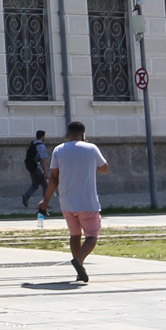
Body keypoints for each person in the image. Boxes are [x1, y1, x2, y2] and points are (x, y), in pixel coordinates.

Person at [37, 121, 108, 284]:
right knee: (92, 235)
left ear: (68, 134)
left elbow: (54, 178)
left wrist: (46, 200)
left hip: (67, 202)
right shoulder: (92, 149)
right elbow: (105, 169)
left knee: (75, 235)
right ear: (83, 134)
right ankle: (79, 260)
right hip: (88, 202)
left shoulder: (59, 150)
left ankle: (79, 270)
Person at [21, 130, 50, 208]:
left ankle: (26, 195)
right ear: (42, 136)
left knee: (35, 184)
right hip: (38, 168)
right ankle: (45, 203)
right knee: (45, 185)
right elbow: (43, 160)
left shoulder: (32, 144)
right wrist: (46, 172)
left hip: (32, 167)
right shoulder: (41, 146)